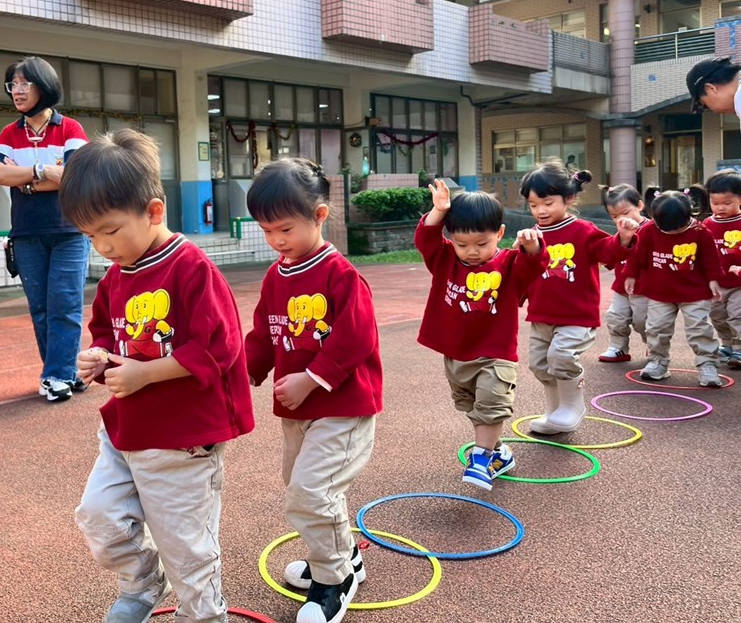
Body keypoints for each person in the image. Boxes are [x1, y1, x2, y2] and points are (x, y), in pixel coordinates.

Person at [60, 130, 254, 623]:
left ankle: (204, 614)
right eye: (89, 237)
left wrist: (147, 374)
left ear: (153, 211)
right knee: (99, 516)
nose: (102, 246)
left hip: (183, 437)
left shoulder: (191, 268)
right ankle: (143, 582)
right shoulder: (116, 275)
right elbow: (107, 335)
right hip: (127, 429)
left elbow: (220, 347)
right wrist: (98, 358)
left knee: (186, 545)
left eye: (109, 230)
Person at [245, 158, 383, 623]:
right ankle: (344, 555)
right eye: (266, 230)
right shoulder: (276, 275)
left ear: (319, 215)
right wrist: (244, 372)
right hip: (298, 411)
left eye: (284, 229)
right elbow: (264, 334)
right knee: (302, 486)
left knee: (311, 491)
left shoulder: (340, 274)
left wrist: (311, 378)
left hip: (342, 407)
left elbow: (357, 337)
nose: (275, 240)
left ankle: (334, 578)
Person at [415, 180, 548, 491]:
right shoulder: (444, 259)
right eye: (462, 244)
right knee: (472, 406)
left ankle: (481, 457)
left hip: (495, 353)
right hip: (457, 353)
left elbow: (534, 265)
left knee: (491, 403)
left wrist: (532, 246)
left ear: (499, 234)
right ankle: (500, 453)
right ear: (451, 238)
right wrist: (439, 210)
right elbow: (425, 238)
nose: (472, 252)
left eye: (481, 243)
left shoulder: (509, 264)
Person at [0, 56, 89, 403]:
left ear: (44, 87)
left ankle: (56, 375)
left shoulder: (71, 129)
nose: (17, 91)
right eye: (13, 85)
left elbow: (72, 177)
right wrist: (43, 171)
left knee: (65, 303)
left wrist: (24, 179)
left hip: (69, 230)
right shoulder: (9, 133)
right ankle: (64, 371)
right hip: (26, 232)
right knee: (40, 308)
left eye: (24, 84)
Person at [520, 161, 639, 434]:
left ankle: (573, 407)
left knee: (561, 355)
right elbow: (524, 270)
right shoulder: (534, 234)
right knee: (539, 364)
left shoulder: (582, 230)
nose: (540, 210)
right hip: (542, 314)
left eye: (548, 203)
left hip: (576, 314)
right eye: (533, 205)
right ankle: (554, 411)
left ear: (569, 198)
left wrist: (623, 237)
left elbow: (607, 252)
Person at [624, 190, 725, 387]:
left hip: (695, 292)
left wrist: (714, 280)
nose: (672, 233)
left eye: (677, 229)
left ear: (688, 217)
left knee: (699, 329)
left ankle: (707, 364)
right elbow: (637, 255)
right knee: (656, 328)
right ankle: (658, 362)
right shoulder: (648, 231)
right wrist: (631, 275)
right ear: (655, 219)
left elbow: (711, 259)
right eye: (666, 229)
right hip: (660, 291)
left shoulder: (700, 232)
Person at [597, 184, 650, 364]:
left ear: (640, 206)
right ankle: (618, 347)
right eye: (614, 216)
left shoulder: (651, 229)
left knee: (644, 321)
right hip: (621, 287)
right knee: (615, 317)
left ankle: (653, 346)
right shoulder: (621, 232)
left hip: (645, 288)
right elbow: (613, 254)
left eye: (625, 213)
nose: (621, 219)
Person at [705, 170, 741, 369]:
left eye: (727, 203)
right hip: (717, 283)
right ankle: (727, 344)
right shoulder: (708, 224)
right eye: (715, 203)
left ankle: (739, 347)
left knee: (737, 315)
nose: (720, 207)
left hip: (739, 283)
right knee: (717, 315)